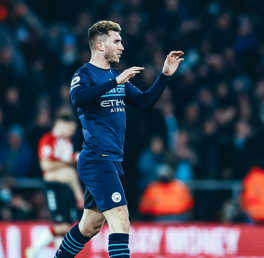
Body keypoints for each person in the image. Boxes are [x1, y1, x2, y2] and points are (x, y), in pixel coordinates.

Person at [54, 20, 184, 258]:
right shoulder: (85, 74)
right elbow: (78, 99)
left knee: (89, 226)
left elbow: (144, 103)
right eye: (116, 41)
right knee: (121, 220)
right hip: (96, 159)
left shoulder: (116, 75)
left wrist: (164, 75)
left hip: (111, 160)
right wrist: (115, 82)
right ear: (101, 45)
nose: (122, 46)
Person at [25, 114, 83, 258]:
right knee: (60, 225)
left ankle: (59, 255)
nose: (73, 132)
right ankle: (34, 249)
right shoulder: (48, 140)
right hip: (53, 186)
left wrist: (78, 193)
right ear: (61, 124)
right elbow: (46, 165)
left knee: (66, 226)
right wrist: (70, 159)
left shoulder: (67, 143)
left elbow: (70, 172)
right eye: (71, 128)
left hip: (66, 188)